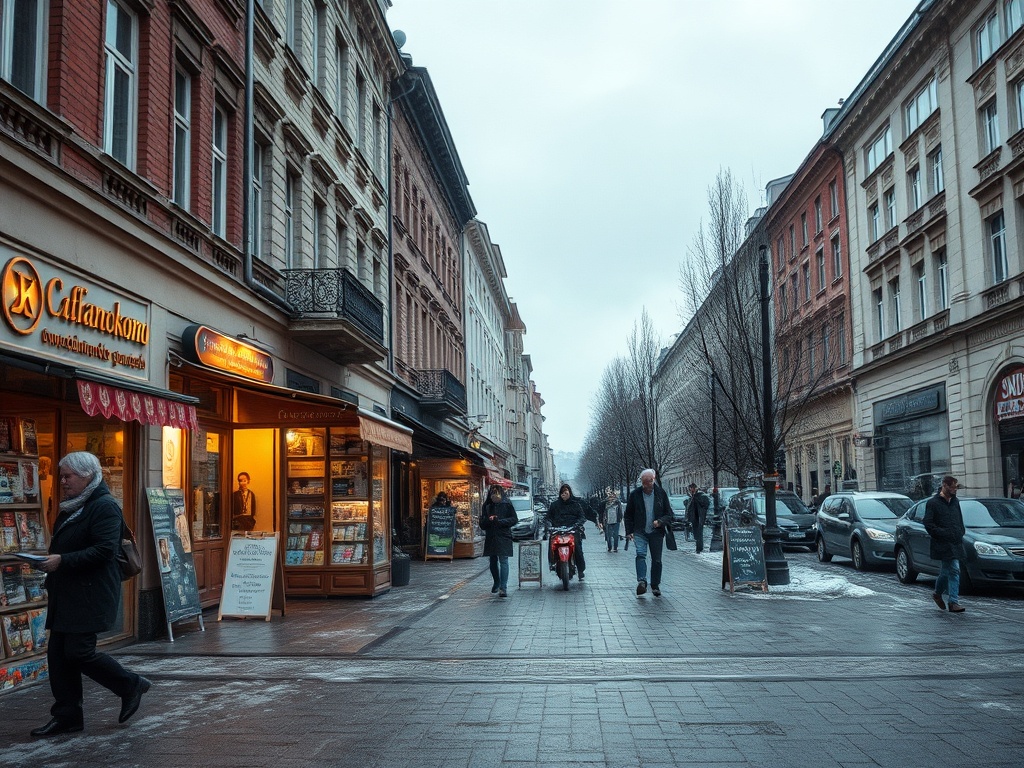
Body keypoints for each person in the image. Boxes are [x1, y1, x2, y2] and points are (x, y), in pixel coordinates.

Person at [31, 452, 151, 738]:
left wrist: (62, 561)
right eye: (62, 476)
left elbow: (104, 551)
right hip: (67, 592)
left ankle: (130, 684)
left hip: (89, 594)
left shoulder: (104, 506)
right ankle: (67, 715)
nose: (62, 482)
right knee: (59, 655)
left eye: (67, 476)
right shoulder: (73, 505)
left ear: (87, 476)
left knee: (78, 652)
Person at [624, 468, 674, 597]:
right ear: (641, 481)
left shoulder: (660, 494)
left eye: (650, 481)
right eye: (645, 482)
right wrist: (629, 531)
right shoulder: (635, 495)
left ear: (654, 480)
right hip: (640, 530)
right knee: (641, 554)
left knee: (656, 559)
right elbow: (628, 514)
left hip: (656, 532)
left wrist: (660, 521)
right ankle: (642, 581)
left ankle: (655, 585)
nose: (648, 484)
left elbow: (669, 514)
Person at [924, 475, 966, 613]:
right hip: (942, 542)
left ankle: (938, 594)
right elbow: (928, 524)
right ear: (945, 486)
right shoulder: (933, 503)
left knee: (947, 570)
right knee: (954, 569)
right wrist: (942, 533)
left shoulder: (955, 502)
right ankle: (953, 602)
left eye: (956, 487)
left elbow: (959, 519)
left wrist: (961, 531)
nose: (955, 490)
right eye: (953, 487)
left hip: (955, 541)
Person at [479, 485, 517, 597]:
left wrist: (499, 521)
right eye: (492, 494)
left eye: (496, 493)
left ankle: (503, 587)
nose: (494, 496)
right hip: (491, 536)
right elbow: (483, 523)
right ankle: (496, 581)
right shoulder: (487, 506)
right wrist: (487, 521)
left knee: (503, 560)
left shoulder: (507, 504)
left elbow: (514, 519)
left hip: (503, 536)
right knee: (492, 560)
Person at [546, 483, 587, 579]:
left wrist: (577, 525)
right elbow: (548, 517)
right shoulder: (554, 505)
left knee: (578, 549)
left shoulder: (576, 504)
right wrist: (549, 526)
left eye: (566, 492)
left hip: (572, 530)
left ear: (569, 493)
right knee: (551, 545)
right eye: (562, 493)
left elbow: (582, 517)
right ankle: (552, 562)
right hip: (557, 530)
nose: (564, 494)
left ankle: (580, 569)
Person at [686, 482, 711, 554]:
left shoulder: (700, 496)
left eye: (691, 489)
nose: (690, 491)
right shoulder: (693, 497)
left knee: (699, 533)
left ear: (695, 488)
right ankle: (699, 547)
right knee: (696, 533)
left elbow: (705, 505)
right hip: (694, 517)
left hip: (699, 517)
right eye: (690, 490)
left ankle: (699, 548)